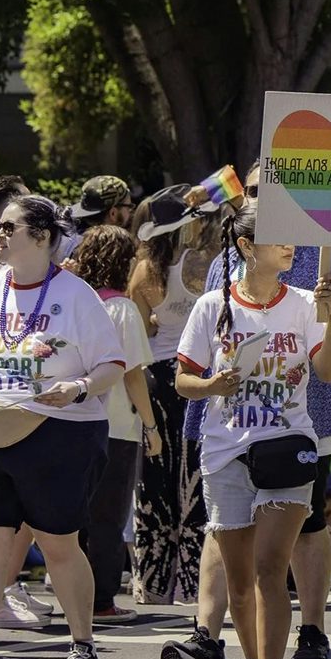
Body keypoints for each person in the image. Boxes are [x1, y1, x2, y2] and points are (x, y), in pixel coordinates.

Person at [162, 163, 331, 659]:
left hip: (303, 422)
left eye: (266, 192)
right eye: (252, 191)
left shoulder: (330, 265)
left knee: (302, 534)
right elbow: (203, 347)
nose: (255, 198)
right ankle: (209, 638)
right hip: (228, 427)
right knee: (227, 532)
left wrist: (327, 317)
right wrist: (209, 391)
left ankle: (310, 634)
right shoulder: (221, 272)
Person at [174, 205, 331, 659]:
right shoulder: (211, 307)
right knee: (241, 579)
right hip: (225, 450)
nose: (289, 247)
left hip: (289, 444)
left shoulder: (302, 304)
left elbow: (329, 370)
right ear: (247, 247)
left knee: (273, 567)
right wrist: (214, 386)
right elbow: (184, 381)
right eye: (278, 240)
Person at [0, 195, 128, 659]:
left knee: (56, 542)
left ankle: (82, 645)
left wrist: (80, 387)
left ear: (43, 237)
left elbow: (113, 363)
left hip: (60, 433)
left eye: (10, 227)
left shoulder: (76, 293)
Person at [125, 185, 218, 604]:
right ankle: (193, 581)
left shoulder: (144, 272)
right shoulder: (199, 264)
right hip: (194, 374)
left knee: (156, 478)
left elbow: (142, 329)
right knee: (196, 477)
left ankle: (154, 580)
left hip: (157, 379)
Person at [61, 225, 158, 623]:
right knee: (108, 518)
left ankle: (75, 601)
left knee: (75, 517)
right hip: (116, 425)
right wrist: (151, 427)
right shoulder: (122, 309)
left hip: (68, 422)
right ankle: (101, 601)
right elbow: (132, 375)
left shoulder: (73, 303)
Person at [68, 175, 133, 235]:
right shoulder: (115, 246)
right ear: (113, 213)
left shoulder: (68, 238)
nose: (131, 212)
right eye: (129, 207)